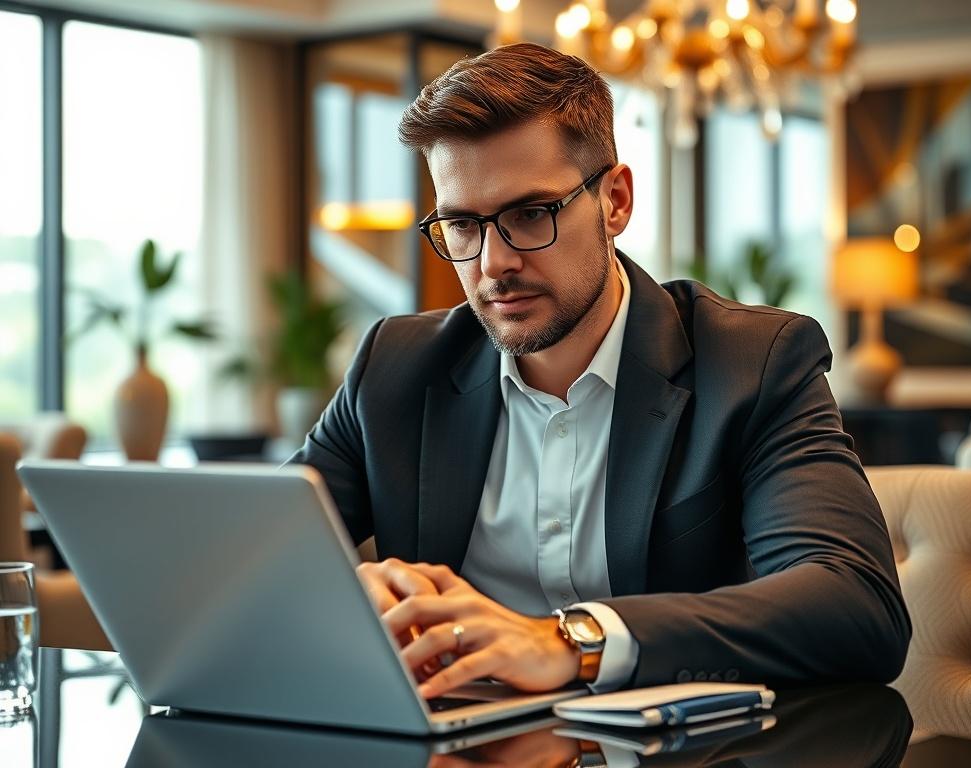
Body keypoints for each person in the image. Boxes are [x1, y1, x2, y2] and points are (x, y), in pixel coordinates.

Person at [290, 42, 910, 700]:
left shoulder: (752, 364)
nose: (493, 263)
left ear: (614, 201)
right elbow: (241, 559)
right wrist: (331, 583)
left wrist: (573, 640)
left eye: (530, 215)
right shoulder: (395, 368)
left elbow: (858, 606)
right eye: (463, 226)